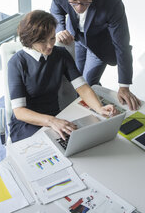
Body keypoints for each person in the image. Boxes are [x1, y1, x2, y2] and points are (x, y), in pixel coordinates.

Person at [8, 10, 115, 143]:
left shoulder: (60, 54)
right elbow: (19, 111)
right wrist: (51, 121)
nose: (49, 46)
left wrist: (99, 108)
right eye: (42, 41)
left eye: (52, 38)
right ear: (30, 40)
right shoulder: (16, 63)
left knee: (82, 142)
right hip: (27, 124)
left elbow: (82, 87)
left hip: (56, 117)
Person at [50, 0, 141, 111]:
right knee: (77, 83)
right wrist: (60, 29)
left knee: (88, 83)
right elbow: (56, 11)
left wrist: (124, 86)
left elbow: (122, 44)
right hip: (76, 38)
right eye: (74, 1)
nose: (79, 8)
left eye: (85, 2)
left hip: (100, 44)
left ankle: (100, 113)